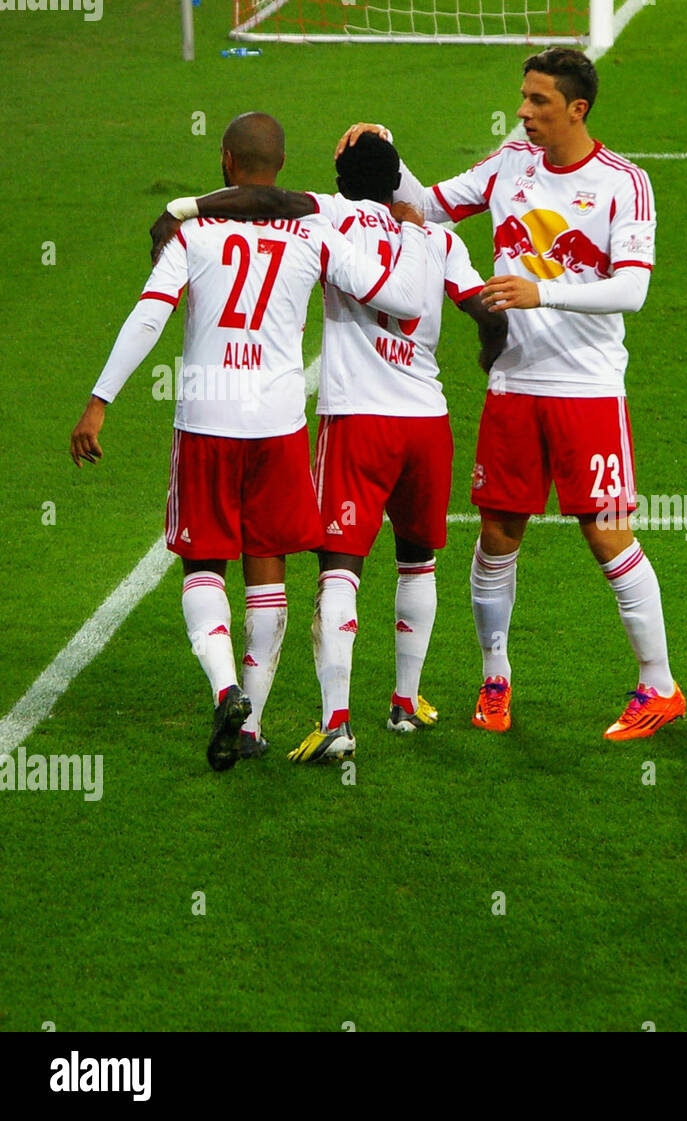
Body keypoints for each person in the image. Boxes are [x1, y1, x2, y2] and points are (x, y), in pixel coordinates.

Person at [335, 47, 685, 740]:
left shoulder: (625, 183)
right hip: (513, 383)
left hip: (587, 387)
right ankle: (494, 677)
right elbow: (428, 207)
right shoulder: (509, 164)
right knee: (498, 534)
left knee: (607, 534)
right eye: (523, 99)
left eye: (539, 103)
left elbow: (634, 288)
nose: (523, 112)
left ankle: (659, 685)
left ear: (577, 109)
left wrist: (540, 290)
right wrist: (384, 149)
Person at [71, 112, 427, 772]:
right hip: (279, 422)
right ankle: (254, 722)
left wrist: (99, 401)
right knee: (269, 563)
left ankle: (224, 686)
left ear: (227, 161)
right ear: (282, 167)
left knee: (203, 562)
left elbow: (151, 314)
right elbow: (397, 297)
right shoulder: (315, 231)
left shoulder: (193, 231)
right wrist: (410, 231)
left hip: (206, 418)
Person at [152, 133, 508, 763]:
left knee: (339, 569)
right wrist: (488, 354)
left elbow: (255, 199)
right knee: (417, 559)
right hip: (428, 420)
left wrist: (181, 210)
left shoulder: (324, 214)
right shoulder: (438, 238)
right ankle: (405, 702)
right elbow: (488, 311)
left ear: (340, 181)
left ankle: (336, 722)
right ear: (398, 179)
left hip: (356, 420)